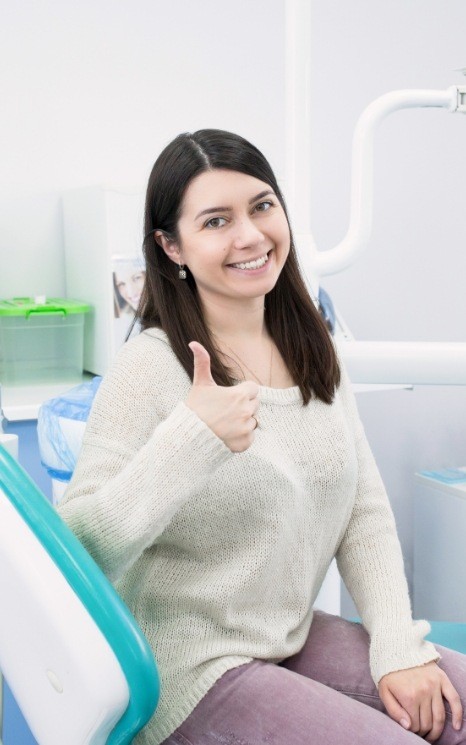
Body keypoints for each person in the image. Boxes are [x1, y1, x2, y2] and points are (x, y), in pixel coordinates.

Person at [58, 129, 466, 745]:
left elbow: (364, 511)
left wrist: (397, 648)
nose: (250, 236)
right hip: (188, 665)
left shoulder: (312, 347)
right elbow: (79, 552)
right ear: (172, 247)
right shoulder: (150, 366)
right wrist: (190, 439)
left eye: (262, 206)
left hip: (286, 634)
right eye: (216, 220)